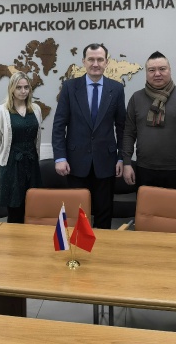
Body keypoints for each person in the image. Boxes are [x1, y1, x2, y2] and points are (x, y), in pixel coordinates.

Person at [52, 43, 126, 229]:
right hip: (75, 162)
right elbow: (59, 125)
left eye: (100, 59)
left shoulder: (117, 89)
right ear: (83, 61)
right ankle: (77, 247)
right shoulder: (69, 87)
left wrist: (121, 158)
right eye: (91, 59)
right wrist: (60, 157)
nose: (95, 64)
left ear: (106, 62)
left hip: (106, 162)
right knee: (77, 214)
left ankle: (102, 246)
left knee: (104, 212)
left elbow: (122, 128)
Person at [122, 51, 176, 190]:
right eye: (152, 70)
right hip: (144, 169)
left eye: (162, 69)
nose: (157, 74)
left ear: (170, 70)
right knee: (146, 205)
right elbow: (129, 133)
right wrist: (127, 163)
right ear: (146, 73)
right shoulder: (136, 98)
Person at [0, 72, 43, 223]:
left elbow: (37, 139)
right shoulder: (0, 112)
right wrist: (1, 165)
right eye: (19, 87)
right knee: (14, 211)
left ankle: (30, 238)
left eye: (26, 87)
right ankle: (14, 237)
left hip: (31, 163)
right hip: (11, 165)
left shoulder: (36, 109)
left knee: (32, 207)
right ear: (11, 89)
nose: (23, 91)